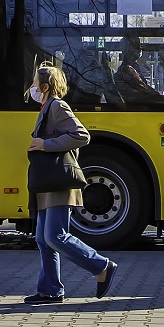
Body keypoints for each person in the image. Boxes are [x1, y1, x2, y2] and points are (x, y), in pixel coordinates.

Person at [23, 62, 117, 304]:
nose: (31, 86)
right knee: (43, 238)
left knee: (55, 236)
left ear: (44, 86)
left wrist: (46, 144)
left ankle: (101, 265)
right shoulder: (46, 108)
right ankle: (50, 290)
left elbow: (81, 135)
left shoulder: (57, 106)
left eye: (34, 82)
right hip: (48, 182)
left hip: (58, 182)